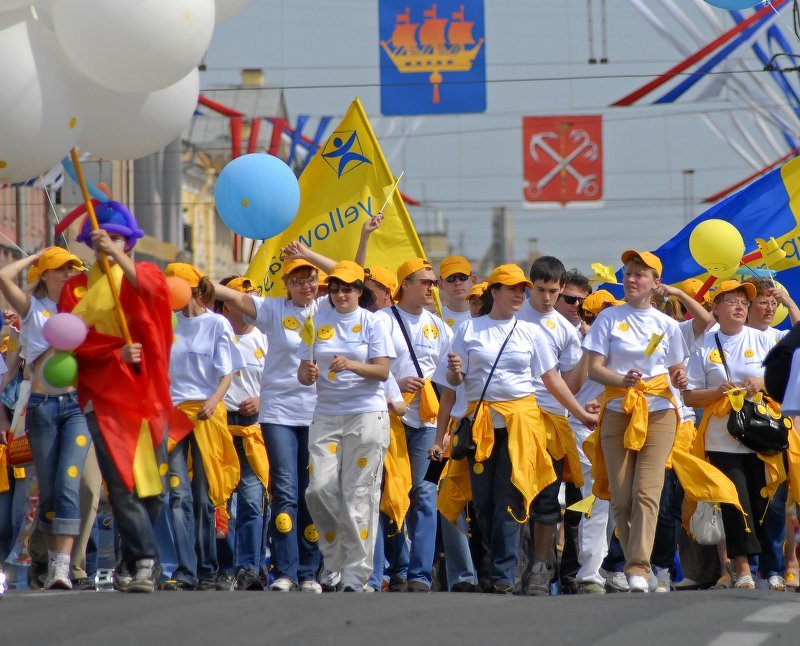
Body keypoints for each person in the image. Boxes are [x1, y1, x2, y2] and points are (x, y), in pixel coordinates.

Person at [432, 264, 597, 593]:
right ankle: (497, 565)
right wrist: (441, 434)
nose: (519, 294)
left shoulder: (531, 333)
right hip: (479, 426)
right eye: (512, 288)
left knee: (511, 498)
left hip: (521, 424)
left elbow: (552, 380)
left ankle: (504, 575)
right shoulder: (468, 331)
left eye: (522, 288)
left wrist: (580, 413)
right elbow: (451, 387)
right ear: (494, 292)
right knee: (482, 503)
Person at [57, 201, 185, 593]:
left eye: (117, 238)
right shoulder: (77, 287)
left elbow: (151, 294)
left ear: (128, 242)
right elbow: (71, 341)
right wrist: (115, 353)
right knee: (120, 483)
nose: (109, 244)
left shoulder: (143, 272)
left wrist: (117, 257)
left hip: (147, 398)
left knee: (154, 489)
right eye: (103, 238)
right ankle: (147, 561)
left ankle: (132, 561)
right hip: (104, 397)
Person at [213, 258, 327, 593]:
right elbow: (235, 299)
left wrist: (311, 252)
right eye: (297, 280)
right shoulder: (274, 310)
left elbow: (353, 272)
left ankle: (309, 571)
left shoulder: (326, 308)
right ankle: (285, 571)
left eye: (311, 279)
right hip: (278, 414)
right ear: (286, 284)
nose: (306, 285)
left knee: (312, 493)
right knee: (285, 492)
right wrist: (203, 283)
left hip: (316, 414)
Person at [583, 250, 688, 593]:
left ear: (656, 284)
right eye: (628, 273)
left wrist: (682, 378)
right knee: (622, 495)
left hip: (658, 412)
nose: (631, 279)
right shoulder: (609, 319)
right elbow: (594, 368)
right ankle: (635, 563)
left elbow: (675, 370)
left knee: (647, 491)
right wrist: (619, 380)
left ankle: (639, 567)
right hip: (618, 411)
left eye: (641, 274)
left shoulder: (668, 326)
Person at [298, 261, 394, 592]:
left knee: (359, 496)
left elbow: (383, 372)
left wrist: (351, 365)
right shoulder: (316, 319)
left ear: (359, 291)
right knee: (319, 489)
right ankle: (334, 559)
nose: (341, 294)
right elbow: (303, 370)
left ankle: (356, 574)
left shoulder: (373, 323)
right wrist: (307, 374)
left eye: (348, 288)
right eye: (335, 288)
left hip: (366, 415)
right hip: (326, 415)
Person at [0, 247, 90, 590]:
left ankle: (61, 568)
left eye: (73, 268)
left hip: (77, 407)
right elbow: (4, 277)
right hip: (42, 407)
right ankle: (46, 561)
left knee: (68, 484)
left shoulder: (83, 309)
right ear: (45, 274)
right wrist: (36, 255)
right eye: (61, 268)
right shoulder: (32, 309)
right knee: (49, 490)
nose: (69, 274)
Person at [685, 280, 784, 590]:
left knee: (761, 504)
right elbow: (690, 396)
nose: (741, 306)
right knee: (734, 502)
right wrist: (717, 391)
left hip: (760, 436)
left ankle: (770, 568)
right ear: (715, 308)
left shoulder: (763, 339)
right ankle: (741, 569)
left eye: (744, 301)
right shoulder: (704, 344)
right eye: (732, 301)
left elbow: (784, 378)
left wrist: (761, 381)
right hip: (720, 437)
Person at [375, 258, 453, 592]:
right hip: (387, 422)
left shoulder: (440, 326)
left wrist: (447, 430)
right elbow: (367, 369)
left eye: (434, 282)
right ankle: (391, 569)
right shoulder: (381, 321)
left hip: (429, 427)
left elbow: (452, 382)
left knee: (427, 493)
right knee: (384, 494)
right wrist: (396, 381)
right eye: (425, 282)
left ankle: (420, 574)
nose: (432, 288)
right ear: (404, 284)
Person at [163, 263, 241, 591]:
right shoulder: (167, 325)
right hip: (174, 417)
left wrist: (213, 400)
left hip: (208, 415)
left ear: (193, 290)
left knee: (204, 498)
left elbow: (227, 374)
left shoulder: (217, 324)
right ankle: (185, 569)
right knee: (178, 495)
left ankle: (208, 568)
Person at [514, 256, 586, 596]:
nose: (546, 298)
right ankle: (513, 564)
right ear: (531, 286)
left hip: (551, 421)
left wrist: (588, 353)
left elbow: (569, 385)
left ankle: (541, 566)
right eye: (540, 290)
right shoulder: (511, 317)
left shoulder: (566, 330)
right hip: (513, 418)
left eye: (553, 292)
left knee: (546, 498)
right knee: (514, 495)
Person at [214, 276, 269, 592]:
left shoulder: (265, 338)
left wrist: (263, 400)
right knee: (217, 503)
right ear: (227, 305)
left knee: (251, 500)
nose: (251, 304)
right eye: (244, 298)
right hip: (220, 429)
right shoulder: (214, 335)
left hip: (253, 429)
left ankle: (249, 568)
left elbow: (282, 381)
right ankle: (223, 567)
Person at [438, 256, 476, 330]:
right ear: (440, 284)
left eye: (463, 277)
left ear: (473, 280)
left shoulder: (487, 316)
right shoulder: (434, 320)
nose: (457, 283)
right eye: (451, 278)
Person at [554, 269, 592, 338]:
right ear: (556, 300)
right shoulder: (543, 329)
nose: (577, 304)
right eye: (570, 299)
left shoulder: (596, 331)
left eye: (582, 300)